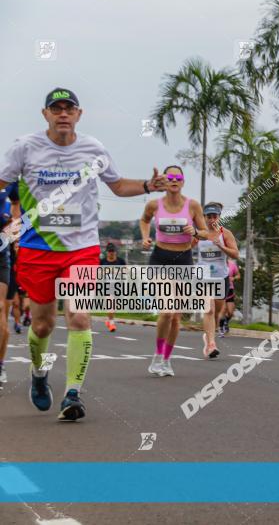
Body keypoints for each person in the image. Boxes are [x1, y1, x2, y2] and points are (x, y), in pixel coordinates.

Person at [0, 87, 167, 420]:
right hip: (37, 248)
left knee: (79, 316)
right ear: (45, 114)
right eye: (56, 108)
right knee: (44, 324)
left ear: (79, 114)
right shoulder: (25, 148)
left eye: (69, 108)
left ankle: (73, 394)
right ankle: (39, 373)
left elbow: (118, 186)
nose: (63, 113)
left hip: (83, 248)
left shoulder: (94, 149)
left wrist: (149, 186)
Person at [140, 165, 206, 375]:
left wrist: (195, 231)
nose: (174, 180)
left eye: (178, 177)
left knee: (176, 317)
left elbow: (205, 233)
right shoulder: (154, 204)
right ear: (165, 181)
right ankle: (157, 356)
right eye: (170, 177)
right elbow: (144, 220)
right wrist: (145, 237)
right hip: (160, 258)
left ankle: (166, 360)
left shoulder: (193, 206)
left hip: (183, 260)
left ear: (183, 181)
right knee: (167, 310)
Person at [195, 203, 239, 357]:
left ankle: (208, 336)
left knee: (217, 312)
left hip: (221, 278)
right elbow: (186, 247)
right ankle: (211, 345)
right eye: (209, 217)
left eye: (215, 216)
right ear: (204, 218)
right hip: (203, 277)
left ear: (219, 217)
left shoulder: (225, 234)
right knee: (209, 309)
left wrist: (222, 247)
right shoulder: (200, 234)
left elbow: (235, 254)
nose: (212, 219)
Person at [0, 183, 18, 388]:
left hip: (1, 256)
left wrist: (13, 227)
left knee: (1, 308)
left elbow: (16, 201)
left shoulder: (8, 181)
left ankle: (0, 363)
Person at [98, 243, 126, 332]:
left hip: (118, 286)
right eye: (110, 251)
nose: (111, 253)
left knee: (115, 306)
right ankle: (111, 323)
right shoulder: (102, 262)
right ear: (107, 252)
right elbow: (98, 273)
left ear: (115, 252)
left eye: (113, 251)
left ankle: (109, 320)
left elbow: (125, 272)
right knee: (110, 303)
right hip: (106, 286)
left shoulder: (121, 261)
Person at [218, 258, 239, 337]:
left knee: (230, 312)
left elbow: (238, 275)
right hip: (220, 289)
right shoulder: (218, 264)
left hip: (230, 289)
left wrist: (234, 278)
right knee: (223, 310)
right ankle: (221, 329)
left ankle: (225, 322)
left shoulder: (232, 265)